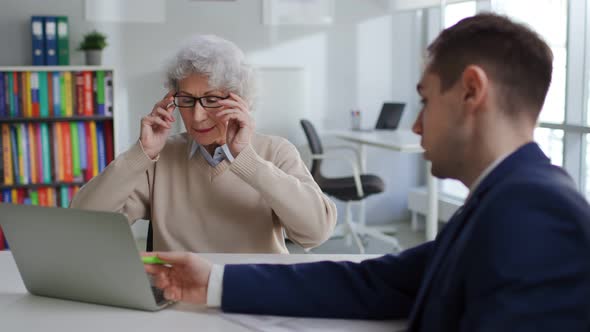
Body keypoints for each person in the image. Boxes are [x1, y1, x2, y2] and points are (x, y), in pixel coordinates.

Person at [144, 13, 590, 330]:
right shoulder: (506, 203)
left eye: (425, 100)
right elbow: (373, 281)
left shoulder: (537, 214)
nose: (416, 124)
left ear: (472, 91)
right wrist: (215, 280)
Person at [71, 35, 337, 253]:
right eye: (186, 100)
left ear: (240, 101)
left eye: (211, 100)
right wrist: (141, 154)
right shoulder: (160, 158)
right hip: (178, 301)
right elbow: (85, 222)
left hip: (255, 296)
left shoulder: (276, 151)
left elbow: (316, 233)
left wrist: (247, 160)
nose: (196, 116)